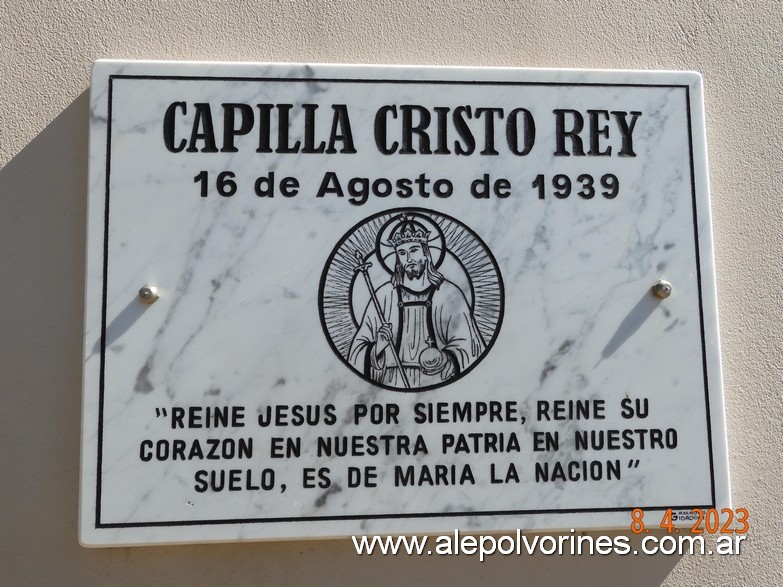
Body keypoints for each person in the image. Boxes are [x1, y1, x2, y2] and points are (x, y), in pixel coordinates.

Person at [348, 215, 485, 389]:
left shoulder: (450, 293)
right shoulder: (384, 295)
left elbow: (468, 345)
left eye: (413, 250)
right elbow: (358, 348)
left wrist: (445, 358)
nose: (408, 258)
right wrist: (377, 348)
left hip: (438, 383)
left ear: (426, 253)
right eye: (402, 253)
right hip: (390, 383)